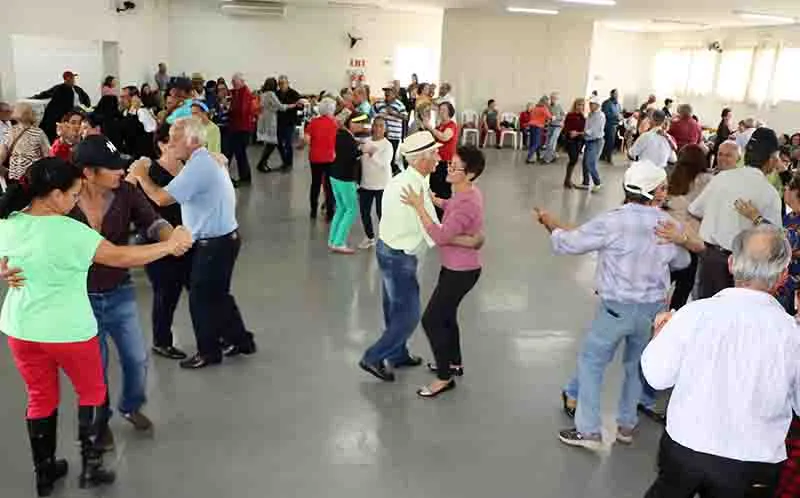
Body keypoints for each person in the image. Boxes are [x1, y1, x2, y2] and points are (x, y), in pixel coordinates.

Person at [0, 157, 192, 496]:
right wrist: (169, 245)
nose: (75, 201)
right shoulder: (71, 232)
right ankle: (90, 466)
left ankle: (44, 473)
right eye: (73, 195)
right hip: (69, 331)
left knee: (40, 396)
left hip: (21, 330)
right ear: (54, 194)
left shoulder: (9, 223)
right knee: (92, 391)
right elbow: (119, 257)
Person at [536, 160, 691, 450]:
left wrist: (551, 227)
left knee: (593, 364)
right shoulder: (668, 225)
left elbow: (569, 244)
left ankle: (589, 430)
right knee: (636, 366)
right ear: (653, 191)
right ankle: (626, 426)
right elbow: (682, 261)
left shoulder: (612, 220)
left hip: (615, 309)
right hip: (652, 310)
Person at [642, 224, 799, 497]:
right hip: (752, 463)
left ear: (731, 263)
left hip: (685, 448)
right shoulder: (791, 334)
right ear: (783, 275)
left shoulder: (693, 314)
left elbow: (657, 376)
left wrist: (658, 336)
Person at [68, 135, 181, 444]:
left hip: (120, 291)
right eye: (112, 168)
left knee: (135, 359)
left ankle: (130, 405)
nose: (121, 171)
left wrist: (172, 236)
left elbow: (152, 222)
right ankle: (99, 421)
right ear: (88, 173)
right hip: (80, 299)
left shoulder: (126, 193)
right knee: (96, 366)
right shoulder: (62, 202)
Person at [131, 117, 257, 369]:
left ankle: (208, 351)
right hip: (221, 240)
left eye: (176, 138)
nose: (171, 143)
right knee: (218, 295)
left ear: (192, 140)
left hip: (214, 244)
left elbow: (161, 198)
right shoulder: (202, 161)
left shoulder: (199, 166)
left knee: (201, 298)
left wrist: (140, 175)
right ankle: (240, 340)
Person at [401, 145, 485, 398]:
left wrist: (419, 207)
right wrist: (437, 201)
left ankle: (444, 378)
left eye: (455, 167)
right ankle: (453, 363)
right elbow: (454, 210)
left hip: (461, 271)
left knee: (432, 320)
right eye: (450, 163)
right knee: (447, 316)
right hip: (457, 267)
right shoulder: (465, 192)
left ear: (469, 174)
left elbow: (439, 235)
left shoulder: (466, 202)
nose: (449, 168)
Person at [359, 131, 442, 381]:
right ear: (419, 159)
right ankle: (373, 357)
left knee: (393, 307)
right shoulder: (413, 186)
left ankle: (397, 353)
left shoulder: (409, 178)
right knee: (408, 315)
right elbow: (435, 230)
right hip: (399, 257)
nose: (439, 157)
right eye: (434, 153)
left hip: (388, 249)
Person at [689, 127, 783, 299]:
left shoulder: (722, 178)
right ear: (771, 160)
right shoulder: (769, 193)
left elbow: (695, 210)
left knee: (705, 309)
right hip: (743, 268)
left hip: (710, 259)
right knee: (733, 317)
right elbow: (775, 239)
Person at [140, 125, 190, 360]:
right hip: (157, 241)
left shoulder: (189, 166)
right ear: (161, 144)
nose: (178, 144)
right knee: (166, 293)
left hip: (186, 239)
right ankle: (161, 341)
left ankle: (218, 332)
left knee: (200, 290)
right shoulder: (149, 170)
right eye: (173, 140)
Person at [663, 144, 712, 310]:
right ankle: (674, 315)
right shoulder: (707, 180)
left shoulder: (672, 175)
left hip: (670, 232)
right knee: (685, 283)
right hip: (694, 237)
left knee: (665, 278)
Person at [328, 113, 368, 254]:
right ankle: (339, 242)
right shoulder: (347, 138)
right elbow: (350, 157)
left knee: (341, 208)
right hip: (345, 179)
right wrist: (362, 151)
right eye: (360, 123)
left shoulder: (342, 135)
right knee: (351, 210)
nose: (362, 126)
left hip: (335, 176)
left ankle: (333, 240)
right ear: (351, 123)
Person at [358, 117, 393, 249]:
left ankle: (386, 239)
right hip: (366, 183)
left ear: (385, 129)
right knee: (364, 212)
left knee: (381, 213)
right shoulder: (366, 142)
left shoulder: (387, 145)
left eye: (381, 126)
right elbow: (360, 159)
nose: (378, 129)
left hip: (382, 185)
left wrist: (373, 154)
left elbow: (384, 164)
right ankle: (369, 237)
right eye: (376, 125)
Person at [304, 98, 338, 222]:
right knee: (329, 186)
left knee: (315, 183)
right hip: (330, 158)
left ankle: (313, 210)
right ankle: (330, 212)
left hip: (315, 157)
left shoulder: (313, 122)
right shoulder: (334, 123)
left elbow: (306, 139)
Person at [32, 71, 91, 141]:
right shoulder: (59, 88)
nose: (73, 80)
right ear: (66, 79)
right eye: (71, 78)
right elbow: (45, 94)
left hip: (76, 113)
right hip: (62, 116)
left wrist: (86, 107)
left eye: (73, 78)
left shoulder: (77, 89)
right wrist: (32, 98)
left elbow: (86, 100)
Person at [0, 102, 51, 184]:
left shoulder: (37, 132)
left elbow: (47, 156)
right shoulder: (10, 131)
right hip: (19, 178)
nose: (13, 110)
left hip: (28, 177)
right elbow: (2, 154)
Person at [256, 77, 298, 173]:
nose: (280, 86)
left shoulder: (263, 94)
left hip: (268, 120)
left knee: (273, 144)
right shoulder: (271, 94)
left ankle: (264, 163)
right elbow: (281, 107)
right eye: (279, 84)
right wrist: (293, 105)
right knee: (272, 143)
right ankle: (262, 163)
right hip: (271, 121)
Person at [424, 102, 458, 218]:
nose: (440, 112)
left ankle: (445, 218)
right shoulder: (439, 126)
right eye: (440, 110)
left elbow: (444, 137)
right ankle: (436, 217)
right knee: (434, 189)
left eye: (443, 110)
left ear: (449, 112)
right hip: (436, 163)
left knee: (444, 192)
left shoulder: (451, 125)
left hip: (445, 164)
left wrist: (430, 128)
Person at [228, 73, 255, 186]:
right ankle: (245, 177)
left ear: (240, 82)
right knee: (240, 154)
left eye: (234, 82)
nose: (233, 84)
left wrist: (230, 110)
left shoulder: (245, 93)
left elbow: (242, 110)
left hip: (242, 128)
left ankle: (245, 177)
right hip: (239, 127)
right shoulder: (239, 92)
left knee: (240, 154)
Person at [373, 86, 408, 167]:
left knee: (390, 158)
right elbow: (372, 112)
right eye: (385, 91)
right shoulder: (379, 103)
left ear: (394, 94)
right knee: (380, 157)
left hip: (394, 136)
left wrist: (393, 113)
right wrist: (379, 115)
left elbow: (405, 117)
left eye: (389, 91)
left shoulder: (399, 104)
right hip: (381, 135)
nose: (387, 93)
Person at [576, 96, 605, 192]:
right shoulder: (590, 115)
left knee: (590, 163)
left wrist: (578, 133)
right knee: (585, 163)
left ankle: (598, 183)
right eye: (590, 104)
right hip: (589, 141)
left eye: (592, 104)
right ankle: (585, 183)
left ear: (597, 105)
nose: (590, 106)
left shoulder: (600, 116)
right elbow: (586, 127)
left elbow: (592, 131)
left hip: (596, 141)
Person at [276, 75, 302, 170]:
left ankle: (289, 163)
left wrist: (298, 105)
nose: (282, 85)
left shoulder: (293, 93)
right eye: (280, 83)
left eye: (284, 83)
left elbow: (300, 106)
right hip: (278, 121)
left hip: (289, 122)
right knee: (278, 143)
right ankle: (284, 161)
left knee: (287, 143)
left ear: (287, 83)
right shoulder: (276, 94)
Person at [562, 98, 586, 188]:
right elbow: (566, 128)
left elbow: (584, 129)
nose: (580, 107)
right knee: (573, 159)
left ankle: (567, 180)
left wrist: (579, 133)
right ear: (575, 105)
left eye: (582, 105)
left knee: (574, 160)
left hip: (579, 140)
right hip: (570, 140)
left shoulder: (583, 117)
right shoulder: (570, 115)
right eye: (579, 105)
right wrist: (570, 133)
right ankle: (567, 180)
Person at [525, 96, 552, 164]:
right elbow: (550, 117)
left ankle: (538, 156)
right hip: (538, 127)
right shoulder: (544, 108)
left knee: (533, 142)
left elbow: (531, 116)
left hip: (531, 126)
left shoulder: (535, 108)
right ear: (545, 102)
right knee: (536, 143)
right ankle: (529, 158)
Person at [600, 89, 622, 163]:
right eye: (615, 94)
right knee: (609, 141)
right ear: (611, 94)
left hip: (615, 125)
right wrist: (616, 117)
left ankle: (603, 155)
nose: (617, 95)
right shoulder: (607, 103)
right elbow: (605, 114)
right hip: (608, 124)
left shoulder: (618, 104)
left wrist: (621, 116)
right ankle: (608, 157)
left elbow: (620, 112)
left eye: (617, 94)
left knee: (611, 142)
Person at [543, 92, 565, 163]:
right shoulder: (548, 107)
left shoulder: (559, 106)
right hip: (550, 126)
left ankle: (548, 159)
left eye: (554, 98)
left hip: (558, 126)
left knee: (552, 142)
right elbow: (546, 116)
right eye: (551, 98)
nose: (552, 100)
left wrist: (556, 117)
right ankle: (552, 155)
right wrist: (547, 120)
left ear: (557, 99)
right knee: (548, 142)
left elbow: (563, 116)